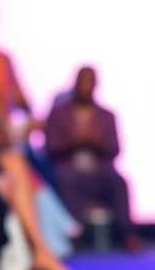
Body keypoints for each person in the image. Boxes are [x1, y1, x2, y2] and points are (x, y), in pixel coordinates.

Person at [0, 0, 84, 270]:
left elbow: (24, 104)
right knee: (21, 171)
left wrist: (27, 123)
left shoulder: (1, 60)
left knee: (20, 169)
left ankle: (33, 269)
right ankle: (39, 258)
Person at [45, 67, 141, 251]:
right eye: (82, 81)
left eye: (90, 82)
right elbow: (50, 147)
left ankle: (127, 233)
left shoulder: (107, 115)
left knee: (119, 181)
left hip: (99, 171)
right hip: (70, 170)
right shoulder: (59, 113)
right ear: (75, 83)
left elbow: (116, 149)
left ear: (96, 85)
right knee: (64, 178)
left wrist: (96, 142)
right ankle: (74, 234)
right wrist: (72, 142)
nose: (85, 86)